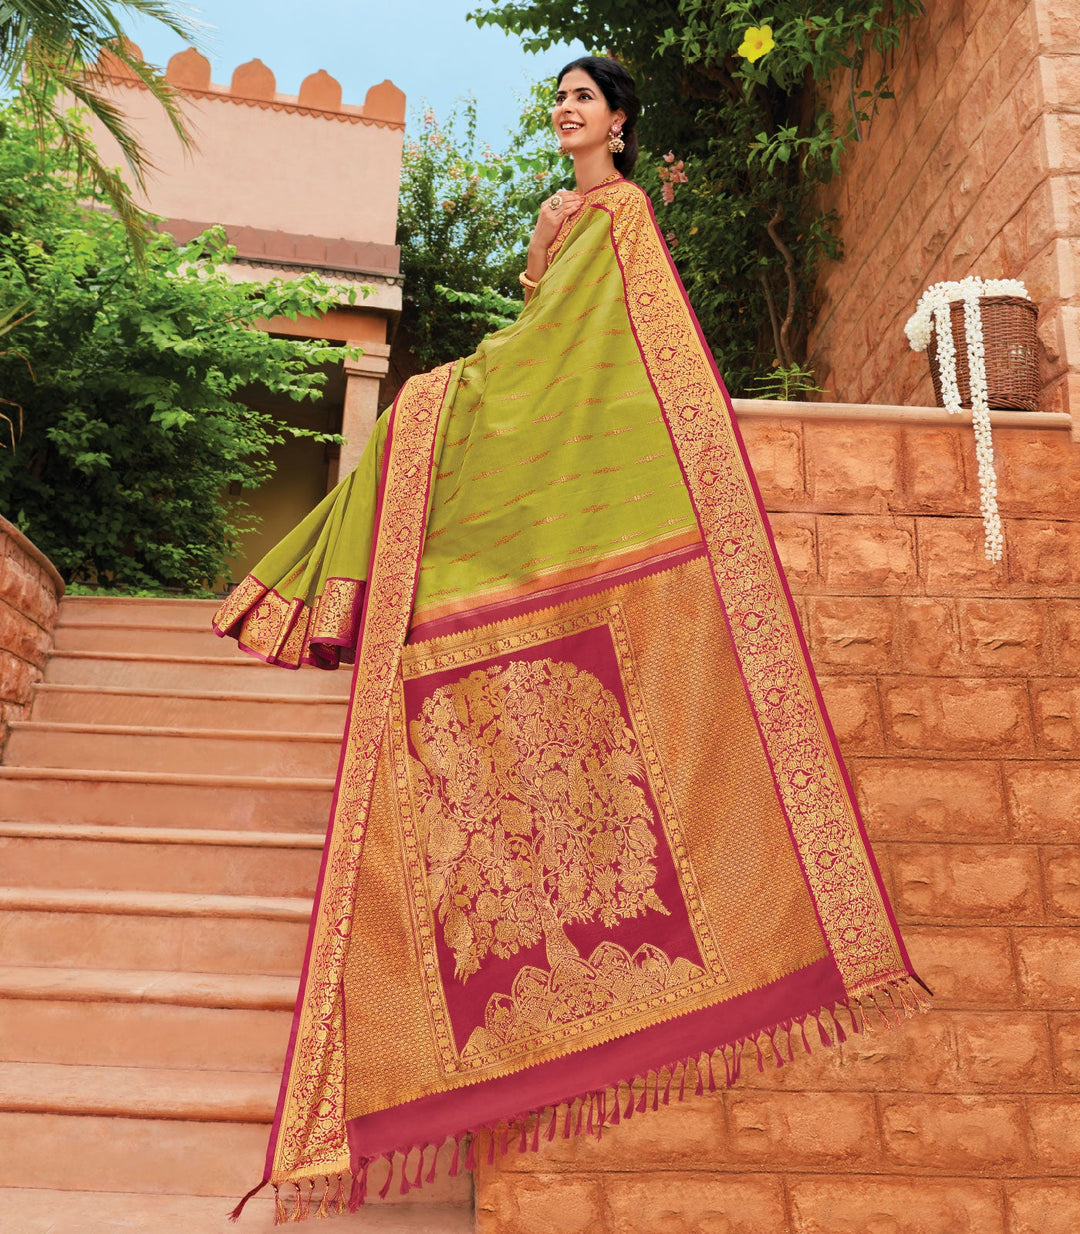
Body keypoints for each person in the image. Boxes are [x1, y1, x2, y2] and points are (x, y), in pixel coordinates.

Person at [216, 55, 926, 1224]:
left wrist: (486, 380)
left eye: (582, 99)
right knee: (418, 418)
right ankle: (341, 592)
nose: (565, 111)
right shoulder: (559, 219)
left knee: (425, 406)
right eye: (556, 99)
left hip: (583, 429)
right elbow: (542, 334)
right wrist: (516, 308)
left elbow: (600, 350)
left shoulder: (624, 213)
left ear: (621, 123)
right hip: (538, 403)